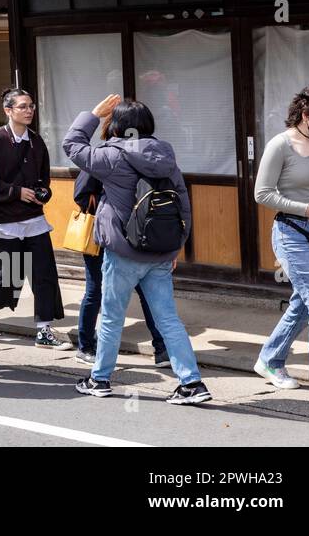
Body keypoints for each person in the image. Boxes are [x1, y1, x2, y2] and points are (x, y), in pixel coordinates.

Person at [66, 95, 211, 405]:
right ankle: (191, 382)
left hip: (123, 253)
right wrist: (176, 248)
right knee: (168, 319)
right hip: (160, 253)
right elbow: (182, 205)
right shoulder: (166, 156)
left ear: (116, 126)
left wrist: (93, 114)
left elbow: (72, 144)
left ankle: (100, 378)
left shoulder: (111, 156)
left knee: (112, 317)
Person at [253, 87, 309, 408]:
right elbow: (262, 193)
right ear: (306, 116)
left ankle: (270, 359)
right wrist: (306, 209)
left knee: (305, 301)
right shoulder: (280, 146)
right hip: (291, 231)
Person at [0, 88, 68, 349]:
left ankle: (44, 330)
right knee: (4, 274)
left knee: (44, 274)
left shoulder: (36, 141)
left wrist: (44, 193)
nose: (29, 111)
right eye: (23, 106)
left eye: (31, 106)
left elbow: (44, 178)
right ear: (8, 110)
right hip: (6, 220)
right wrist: (16, 192)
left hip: (35, 220)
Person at [73, 166, 170, 367]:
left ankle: (161, 348)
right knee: (96, 291)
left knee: (145, 291)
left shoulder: (138, 159)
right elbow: (81, 194)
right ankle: (85, 346)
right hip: (102, 236)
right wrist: (109, 212)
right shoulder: (100, 158)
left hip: (134, 237)